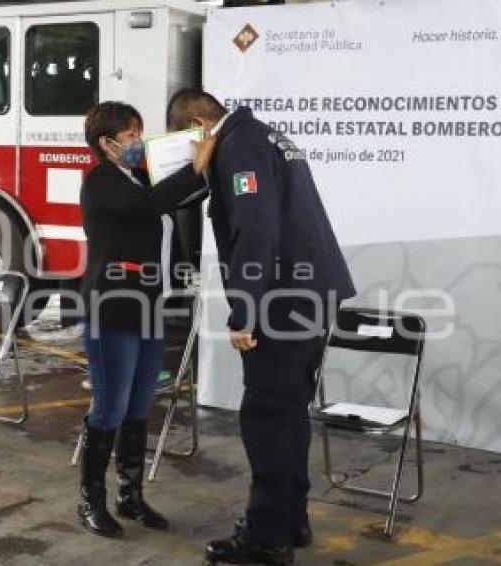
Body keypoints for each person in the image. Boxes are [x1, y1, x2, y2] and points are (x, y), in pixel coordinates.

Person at [167, 89, 356, 565]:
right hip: (307, 293)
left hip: (282, 298)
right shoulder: (263, 136)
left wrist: (245, 311)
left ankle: (267, 539)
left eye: (186, 140)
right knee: (288, 412)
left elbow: (255, 231)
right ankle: (289, 520)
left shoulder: (239, 147)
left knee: (268, 416)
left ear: (196, 124)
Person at [77, 101, 215, 538]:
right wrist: (194, 168)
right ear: (108, 143)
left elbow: (186, 194)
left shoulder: (134, 176)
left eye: (138, 132)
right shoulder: (100, 181)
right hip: (112, 305)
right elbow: (153, 203)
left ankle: (129, 495)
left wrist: (203, 168)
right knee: (110, 405)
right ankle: (90, 501)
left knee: (139, 405)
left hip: (147, 305)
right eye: (132, 135)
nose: (139, 141)